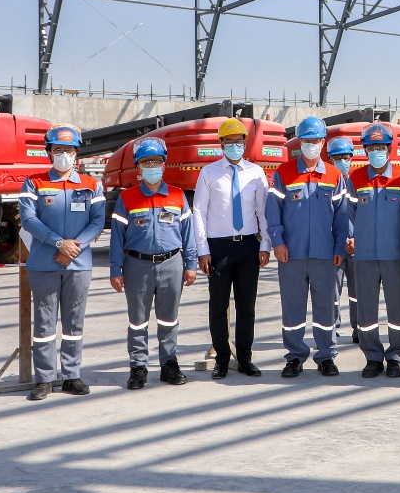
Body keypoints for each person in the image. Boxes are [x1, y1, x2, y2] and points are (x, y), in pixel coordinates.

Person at [19, 125, 106, 401]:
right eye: (58, 150)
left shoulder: (92, 184)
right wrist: (60, 243)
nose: (64, 155)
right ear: (49, 153)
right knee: (44, 323)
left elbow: (97, 221)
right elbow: (29, 220)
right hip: (44, 263)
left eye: (69, 150)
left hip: (78, 264)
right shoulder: (33, 183)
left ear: (76, 153)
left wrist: (73, 247)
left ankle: (71, 375)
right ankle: (44, 378)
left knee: (74, 321)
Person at [108, 137, 198, 389]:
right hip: (137, 265)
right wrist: (116, 269)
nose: (152, 166)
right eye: (146, 162)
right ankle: (138, 367)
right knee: (138, 320)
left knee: (169, 319)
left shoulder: (178, 196)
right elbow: (116, 238)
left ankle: (169, 364)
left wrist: (190, 264)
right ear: (138, 167)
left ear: (163, 164)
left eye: (156, 161)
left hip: (172, 263)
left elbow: (188, 234)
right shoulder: (127, 199)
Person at [268, 116, 351, 378]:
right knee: (292, 308)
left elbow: (342, 216)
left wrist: (339, 246)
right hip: (291, 254)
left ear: (323, 142)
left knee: (326, 307)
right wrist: (278, 243)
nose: (311, 145)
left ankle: (326, 356)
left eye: (315, 140)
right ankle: (294, 356)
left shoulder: (334, 175)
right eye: (306, 140)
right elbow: (273, 213)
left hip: (325, 254)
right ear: (299, 143)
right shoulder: (284, 173)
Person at [193, 118, 271, 379]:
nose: (234, 146)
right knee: (218, 305)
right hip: (218, 248)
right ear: (221, 144)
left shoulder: (255, 173)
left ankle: (245, 358)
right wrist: (202, 249)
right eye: (229, 142)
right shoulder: (209, 173)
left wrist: (266, 245)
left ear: (244, 144)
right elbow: (199, 212)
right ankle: (222, 359)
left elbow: (263, 211)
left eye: (238, 142)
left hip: (249, 245)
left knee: (246, 305)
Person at [347, 123, 400, 379]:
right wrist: (350, 238)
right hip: (364, 256)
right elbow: (348, 214)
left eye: (381, 147)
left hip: (395, 255)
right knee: (366, 310)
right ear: (365, 150)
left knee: (397, 309)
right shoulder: (356, 178)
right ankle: (373, 356)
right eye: (372, 147)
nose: (377, 151)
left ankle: (396, 355)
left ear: (389, 149)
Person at [327, 137, 360, 343]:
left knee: (359, 292)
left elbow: (366, 215)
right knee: (332, 291)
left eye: (345, 157)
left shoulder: (358, 182)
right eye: (337, 158)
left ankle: (359, 328)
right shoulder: (327, 183)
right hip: (334, 246)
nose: (342, 161)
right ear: (330, 159)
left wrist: (357, 238)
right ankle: (331, 327)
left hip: (357, 246)